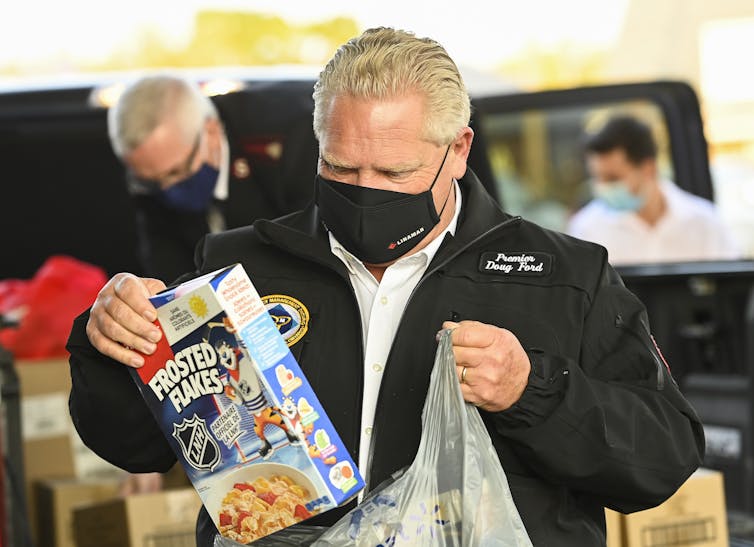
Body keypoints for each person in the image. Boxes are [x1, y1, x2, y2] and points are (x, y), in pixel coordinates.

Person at [68, 28, 704, 546]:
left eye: (394, 171)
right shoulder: (240, 267)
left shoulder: (565, 277)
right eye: (340, 167)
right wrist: (109, 343)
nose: (365, 189)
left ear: (458, 151)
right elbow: (136, 443)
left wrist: (532, 389)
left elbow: (661, 458)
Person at [108, 74, 319, 281]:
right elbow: (167, 275)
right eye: (152, 181)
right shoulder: (148, 184)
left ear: (211, 131)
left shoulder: (291, 139)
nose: (167, 189)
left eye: (176, 172)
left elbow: (310, 250)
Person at [567, 114, 740, 265]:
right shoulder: (585, 231)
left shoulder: (705, 223)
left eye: (613, 178)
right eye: (597, 178)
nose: (603, 187)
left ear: (648, 168)